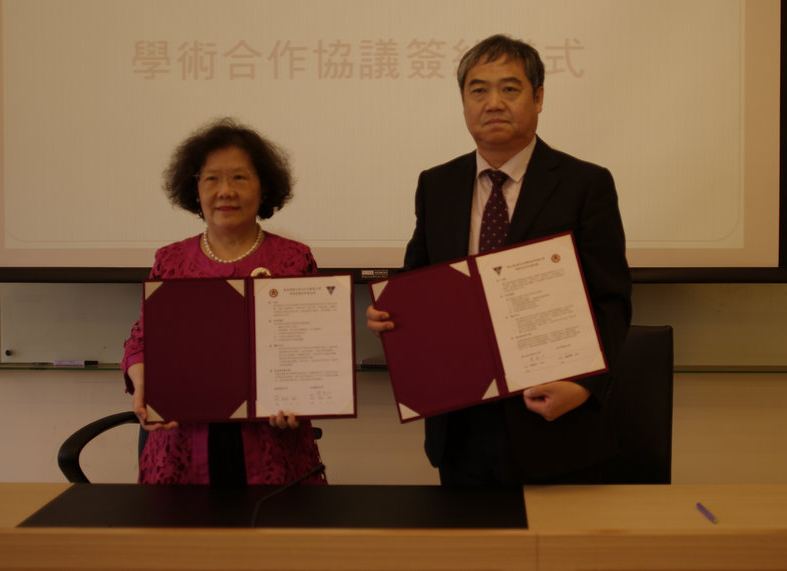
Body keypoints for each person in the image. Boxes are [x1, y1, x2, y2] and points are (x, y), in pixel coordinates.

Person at [367, 34, 632, 486]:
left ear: (539, 98)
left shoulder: (585, 184)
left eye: (510, 88)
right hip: (460, 424)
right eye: (478, 90)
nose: (493, 103)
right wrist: (390, 314)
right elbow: (418, 279)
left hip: (553, 420)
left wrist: (584, 386)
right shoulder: (436, 185)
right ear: (463, 102)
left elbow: (611, 300)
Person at [122, 117, 325, 485]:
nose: (225, 191)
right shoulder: (171, 260)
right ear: (195, 189)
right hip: (182, 443)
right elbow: (142, 341)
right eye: (211, 179)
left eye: (239, 178)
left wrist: (303, 398)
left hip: (272, 444)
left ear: (264, 187)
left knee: (276, 524)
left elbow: (310, 350)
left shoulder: (293, 259)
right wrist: (143, 384)